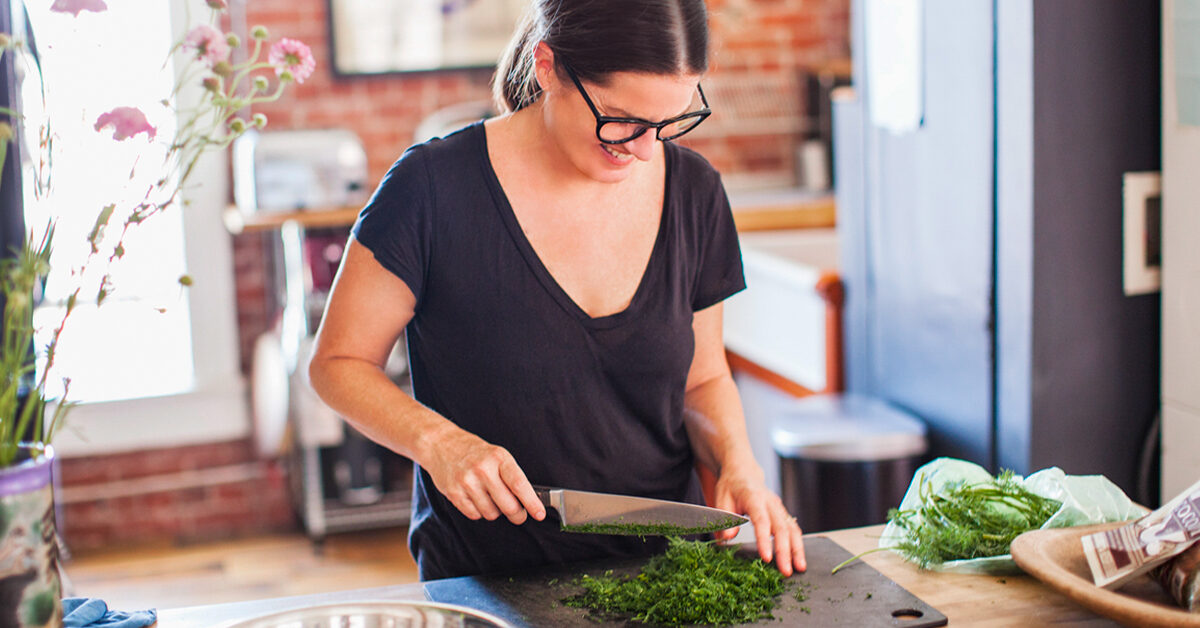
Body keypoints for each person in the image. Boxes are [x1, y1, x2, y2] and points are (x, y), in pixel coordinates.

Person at [308, 0, 807, 581]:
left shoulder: (696, 192)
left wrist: (737, 461)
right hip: (487, 581)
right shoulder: (429, 190)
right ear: (547, 66)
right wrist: (438, 443)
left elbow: (702, 378)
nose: (645, 150)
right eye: (621, 119)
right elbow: (338, 364)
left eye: (669, 123)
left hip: (665, 574)